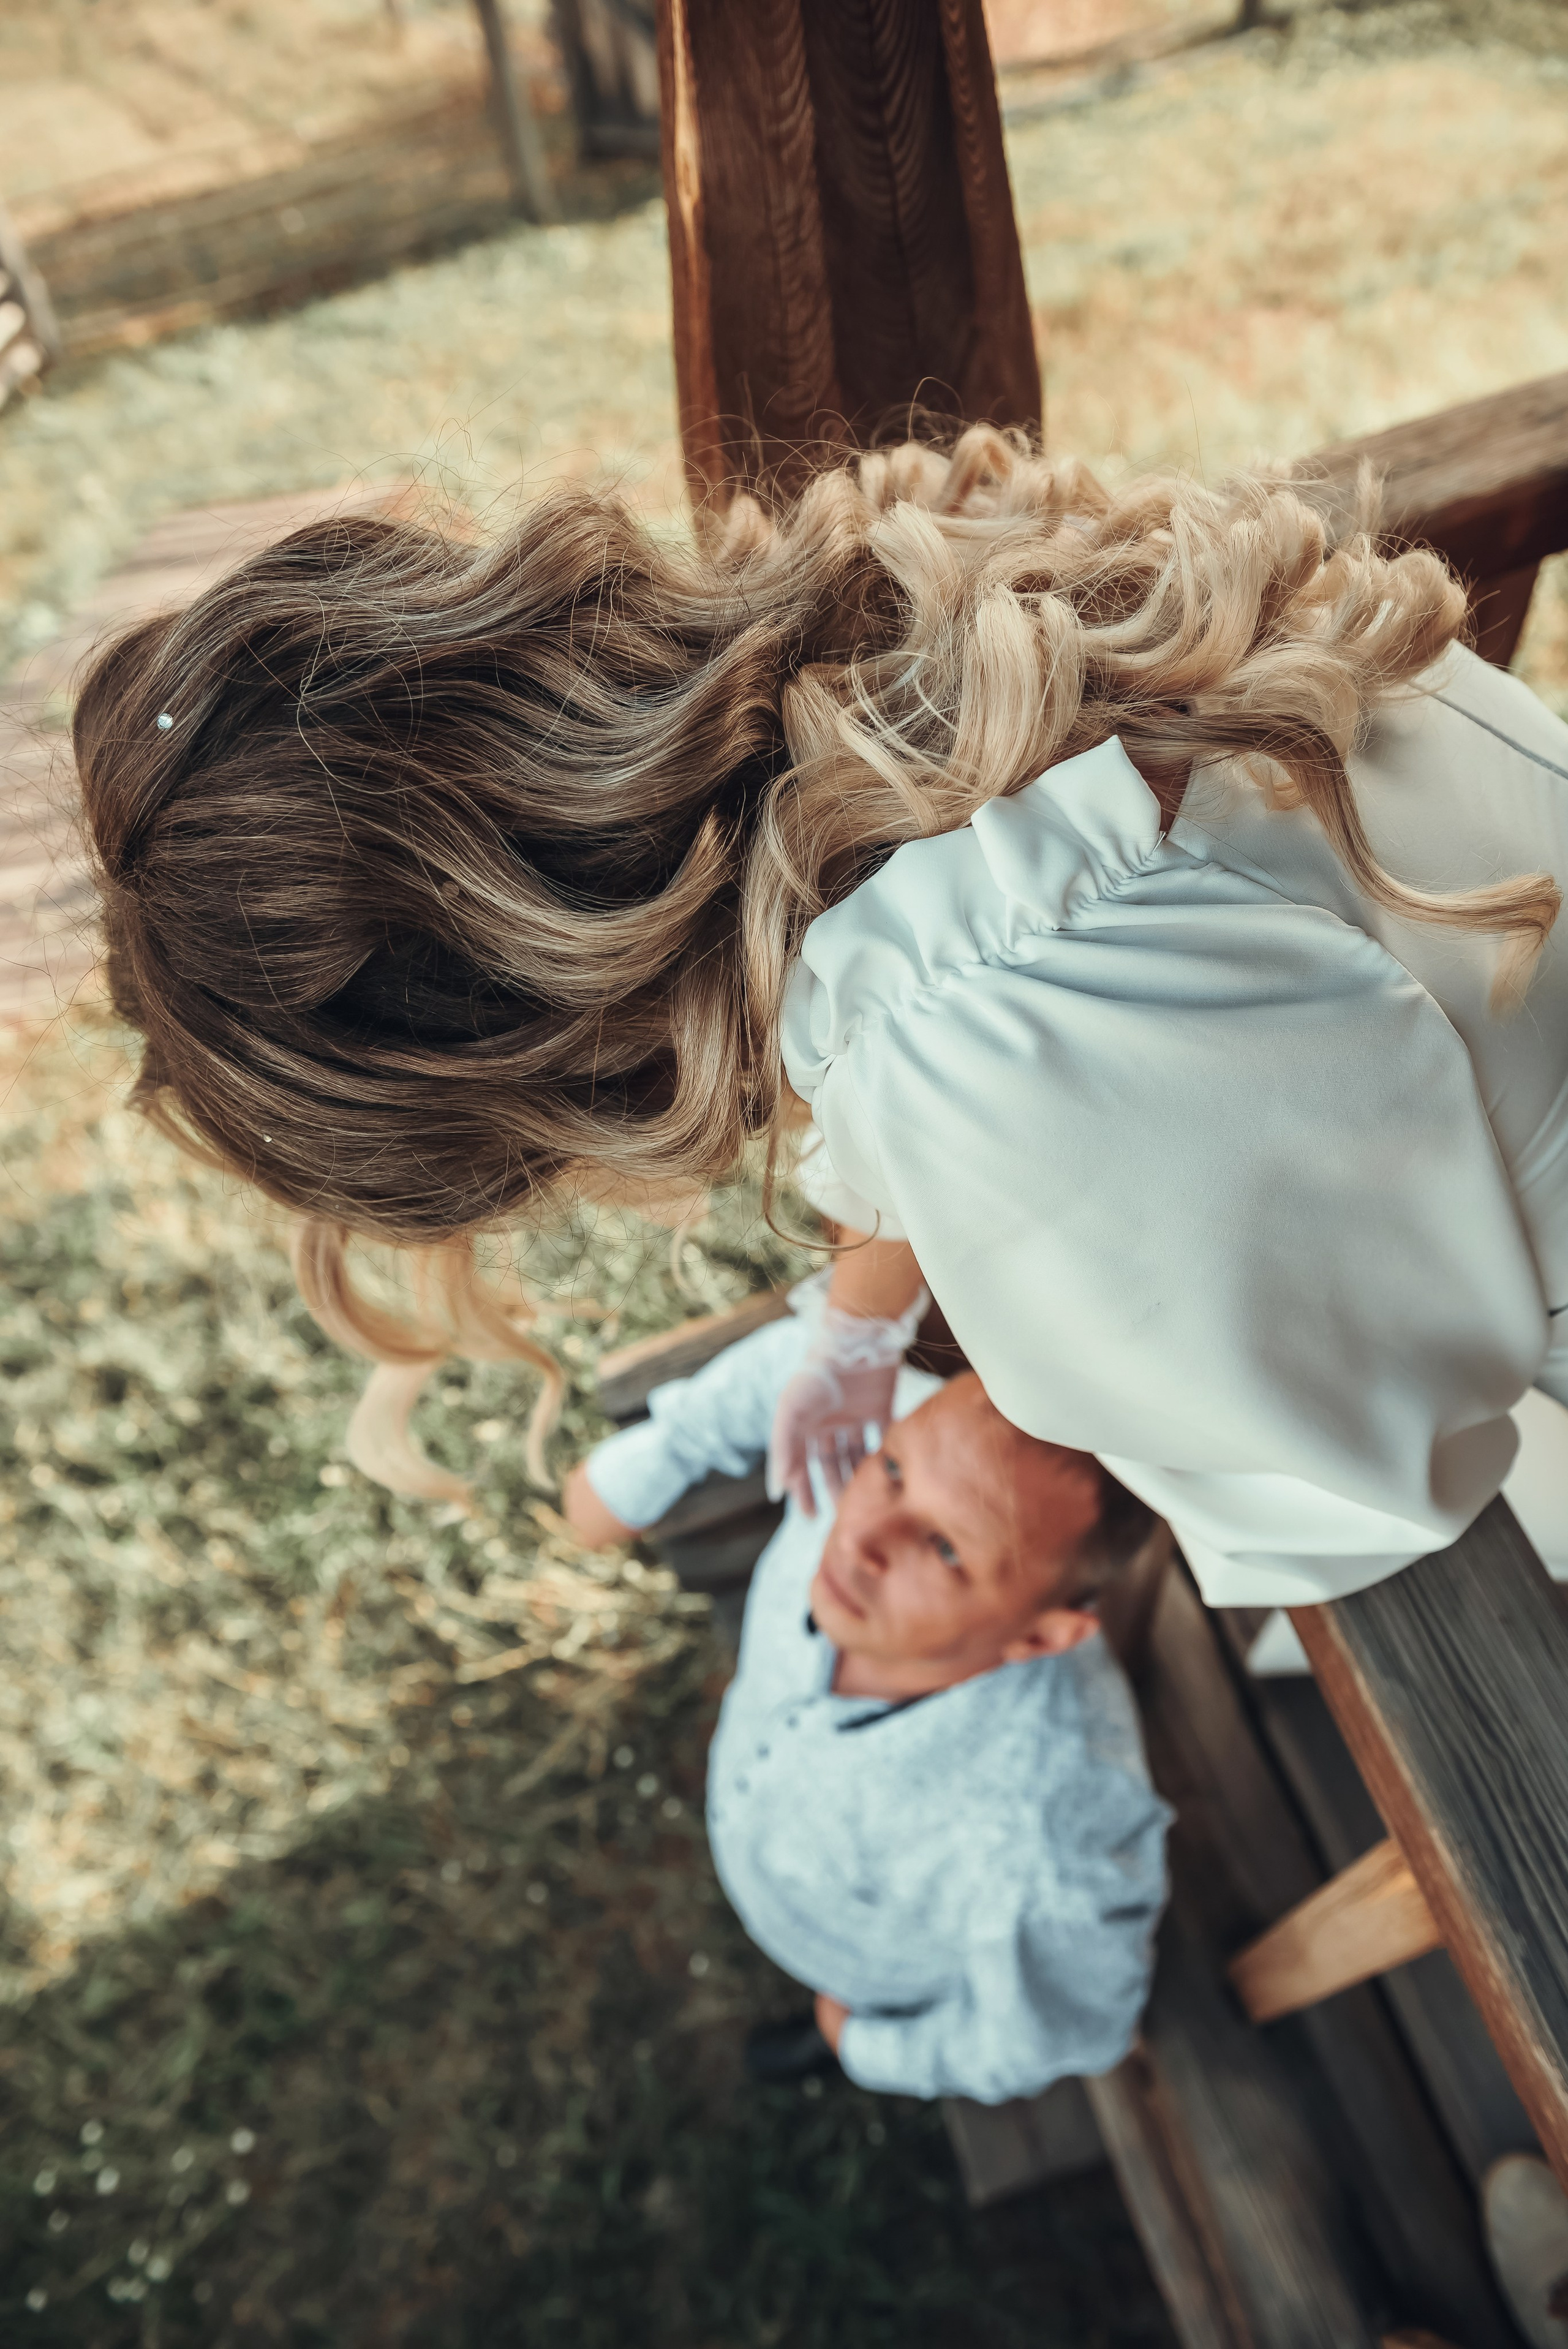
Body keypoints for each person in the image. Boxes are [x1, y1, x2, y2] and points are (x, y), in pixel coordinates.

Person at [73, 428, 1568, 1606]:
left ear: (529, 1082)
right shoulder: (911, 648)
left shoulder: (1000, 1043)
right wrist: (862, 1321)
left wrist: (1067, 1382)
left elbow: (1371, 1485)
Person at [561, 1283, 1172, 2103]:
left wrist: (871, 2047)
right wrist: (659, 1457)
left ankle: (821, 2047)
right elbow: (796, 1364)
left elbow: (1066, 2031)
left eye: (947, 1550)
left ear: (1042, 1636)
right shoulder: (898, 1441)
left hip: (867, 1971)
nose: (864, 1536)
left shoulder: (1046, 1848)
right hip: (768, 1840)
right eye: (891, 1469)